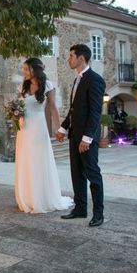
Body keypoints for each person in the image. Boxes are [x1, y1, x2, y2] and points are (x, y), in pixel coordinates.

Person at [14, 57, 73, 213]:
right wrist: (13, 114)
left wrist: (59, 129)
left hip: (38, 128)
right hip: (23, 128)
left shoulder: (47, 85)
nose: (24, 72)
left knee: (38, 160)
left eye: (27, 69)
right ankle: (28, 197)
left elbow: (52, 107)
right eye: (24, 69)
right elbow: (19, 106)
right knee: (26, 160)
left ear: (35, 69)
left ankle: (42, 197)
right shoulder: (22, 86)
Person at [56, 44, 105, 227]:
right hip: (74, 135)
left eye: (71, 56)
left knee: (93, 174)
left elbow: (95, 112)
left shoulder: (95, 80)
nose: (68, 59)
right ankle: (80, 208)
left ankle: (98, 213)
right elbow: (75, 109)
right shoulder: (77, 79)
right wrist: (63, 127)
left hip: (86, 138)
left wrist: (87, 138)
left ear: (81, 58)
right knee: (76, 173)